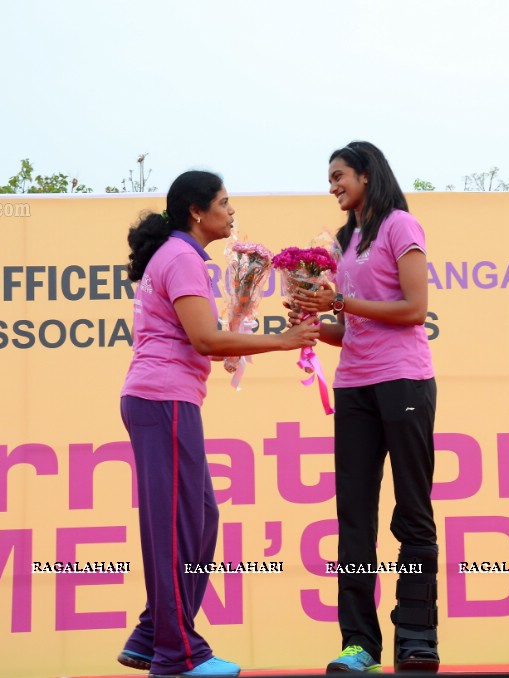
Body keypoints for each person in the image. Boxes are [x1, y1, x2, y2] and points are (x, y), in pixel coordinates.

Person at [117, 170, 319, 678]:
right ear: (196, 212)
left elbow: (203, 336)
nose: (232, 213)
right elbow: (205, 342)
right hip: (161, 401)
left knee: (201, 521)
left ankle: (151, 635)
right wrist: (282, 339)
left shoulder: (183, 258)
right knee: (176, 531)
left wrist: (239, 332)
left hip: (169, 401)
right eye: (225, 203)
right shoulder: (182, 257)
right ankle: (178, 655)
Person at [291, 141, 440, 674]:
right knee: (354, 519)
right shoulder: (344, 239)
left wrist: (340, 302)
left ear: (366, 175)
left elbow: (414, 309)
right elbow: (350, 327)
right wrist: (314, 319)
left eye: (339, 175)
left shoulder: (401, 225)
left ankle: (417, 635)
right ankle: (359, 643)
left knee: (413, 513)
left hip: (403, 382)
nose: (332, 185)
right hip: (353, 386)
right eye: (329, 178)